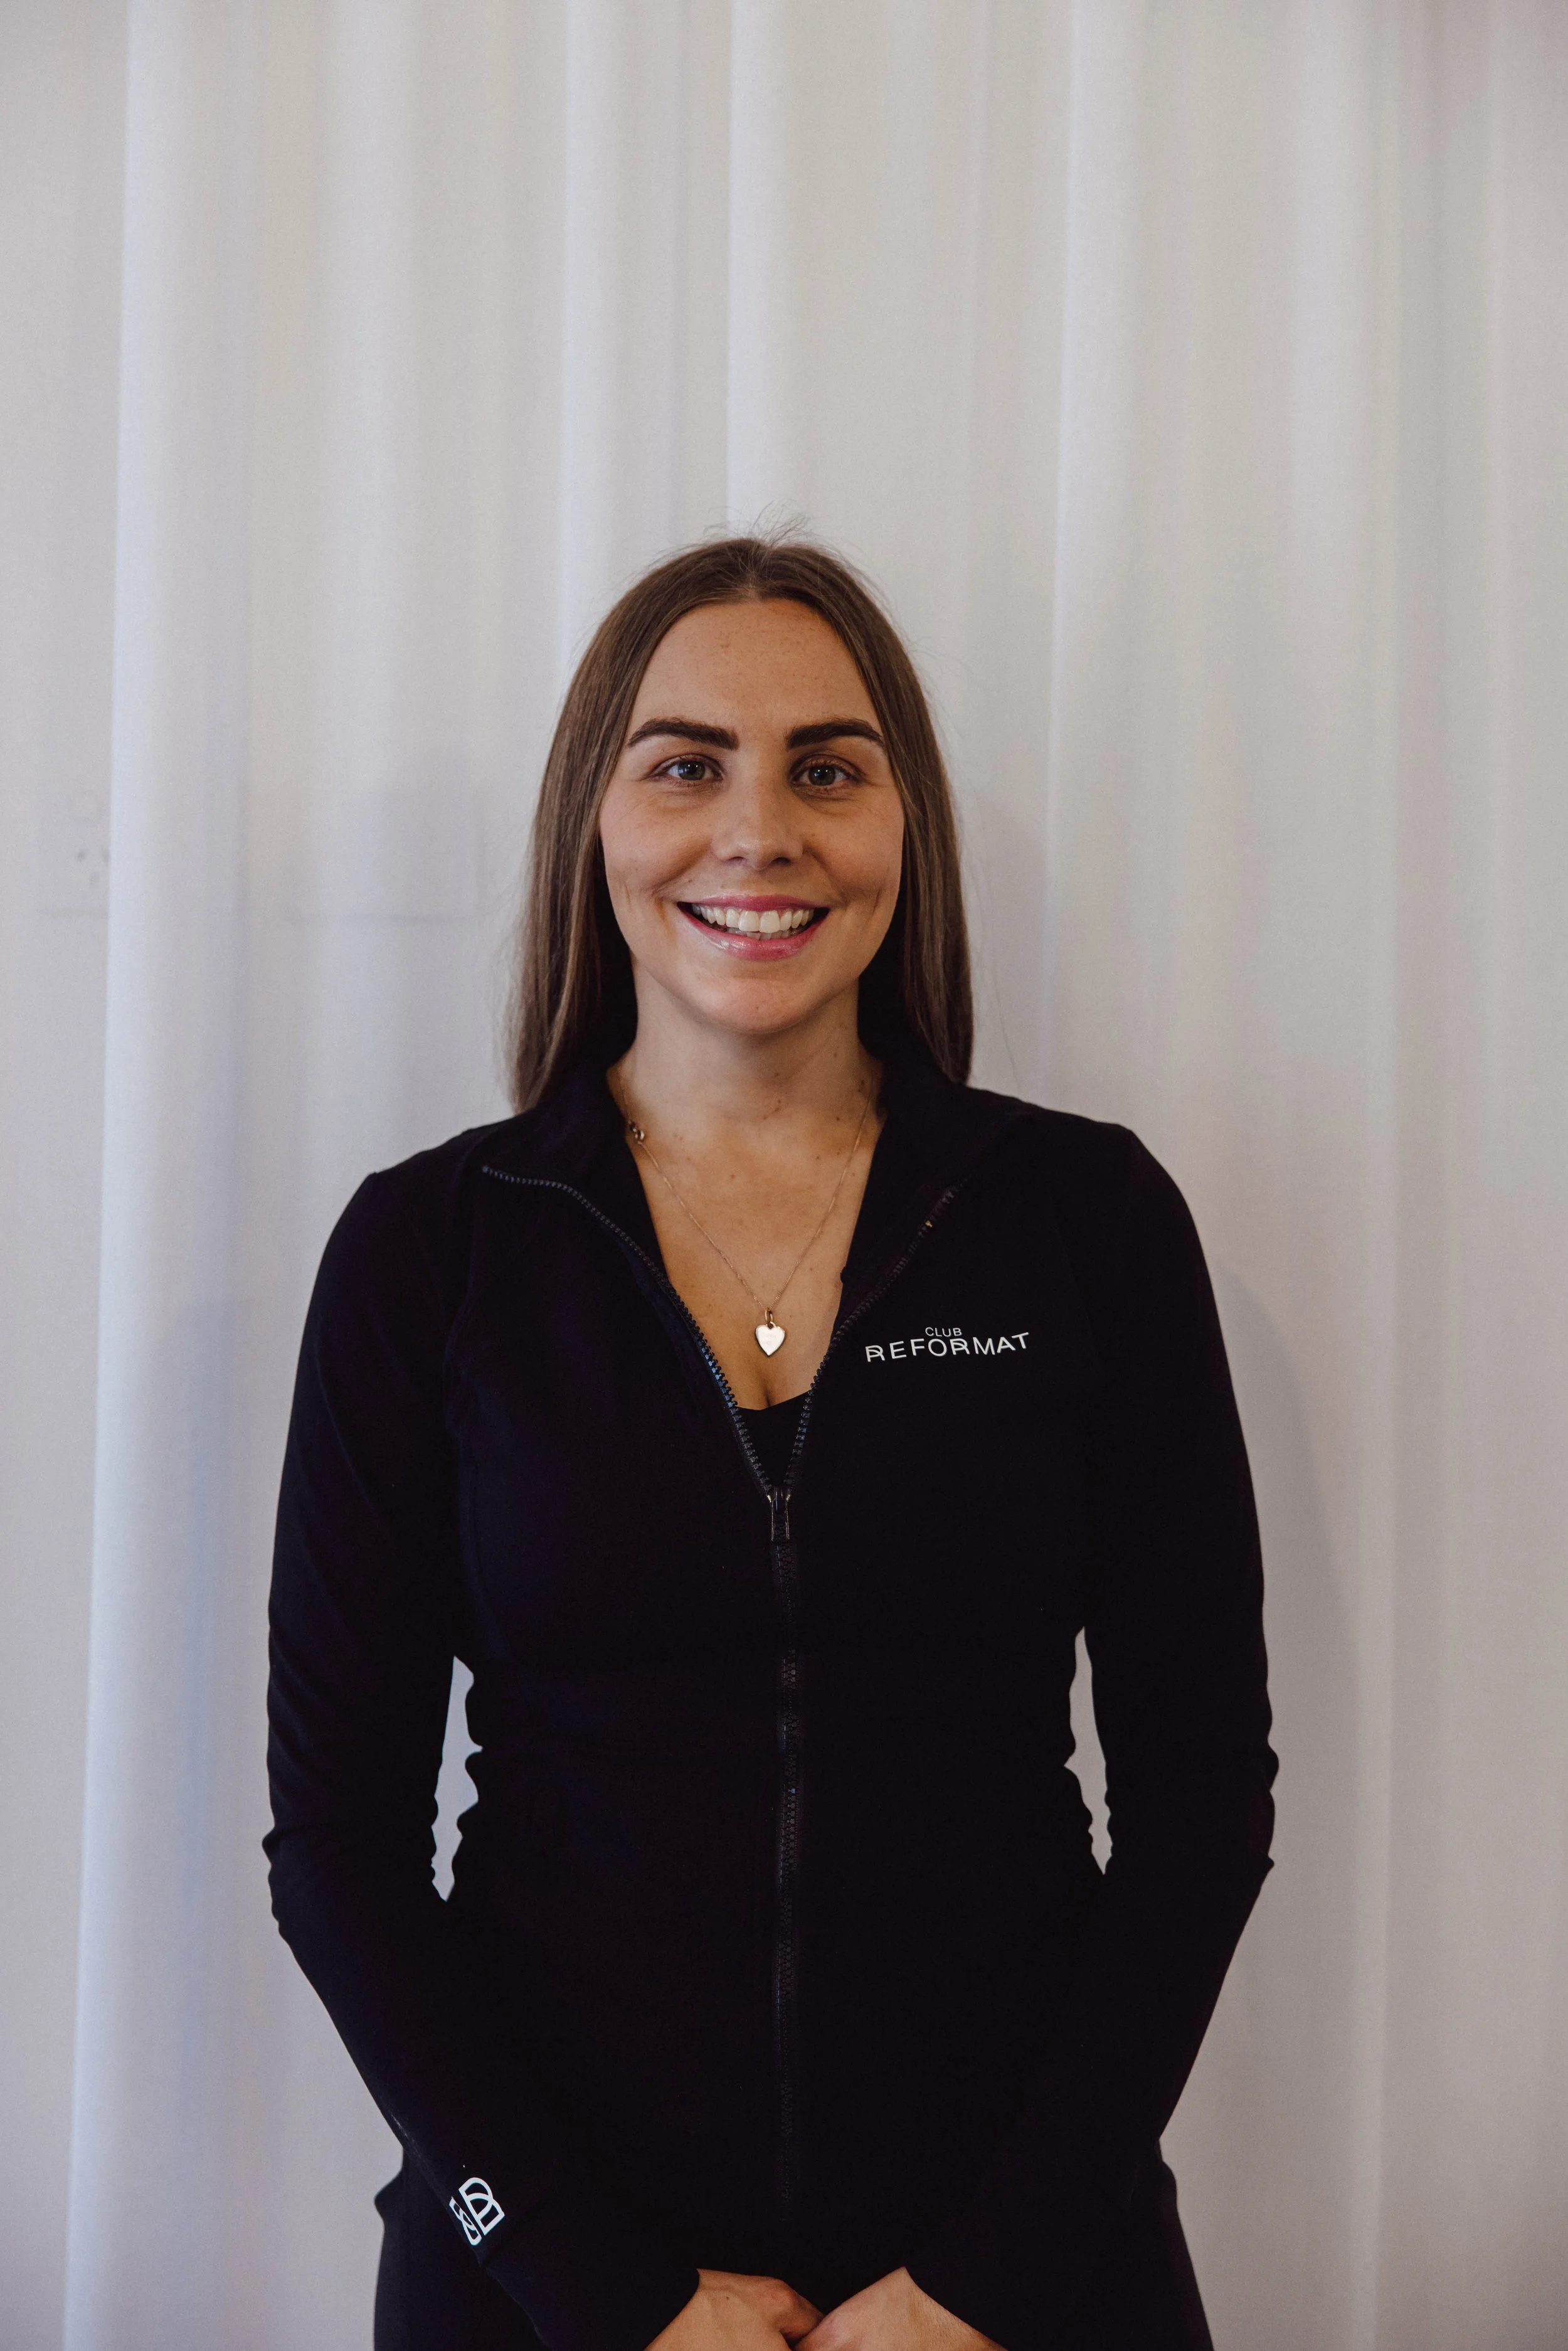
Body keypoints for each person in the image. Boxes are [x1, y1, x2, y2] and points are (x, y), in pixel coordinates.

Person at [265, 534, 1276, 2351]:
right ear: (598, 818)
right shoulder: (431, 1255)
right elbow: (336, 1844)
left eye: (826, 765)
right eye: (684, 765)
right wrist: (604, 2286)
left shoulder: (1082, 1222)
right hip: (546, 2283)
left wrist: (987, 2277)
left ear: (905, 823)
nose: (758, 831)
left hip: (1025, 2274)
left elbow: (1202, 1799)